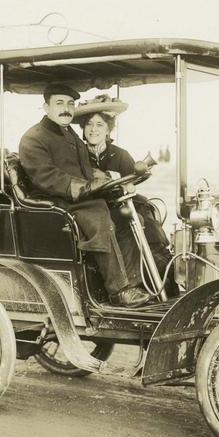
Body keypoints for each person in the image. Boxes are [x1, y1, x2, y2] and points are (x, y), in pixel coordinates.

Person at [18, 83, 152, 308]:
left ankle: (133, 285)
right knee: (99, 214)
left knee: (125, 216)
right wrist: (86, 187)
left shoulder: (70, 134)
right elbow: (47, 177)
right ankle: (118, 291)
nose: (66, 109)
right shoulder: (34, 138)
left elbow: (86, 171)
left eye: (70, 104)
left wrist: (107, 181)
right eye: (59, 103)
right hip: (54, 202)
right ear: (45, 107)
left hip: (77, 199)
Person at [73, 93, 177, 296]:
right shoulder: (78, 156)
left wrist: (126, 183)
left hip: (121, 202)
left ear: (108, 130)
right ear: (83, 130)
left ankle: (166, 280)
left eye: (100, 125)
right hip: (97, 208)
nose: (94, 129)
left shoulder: (120, 154)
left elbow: (132, 182)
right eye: (89, 125)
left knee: (148, 213)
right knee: (128, 221)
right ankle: (131, 286)